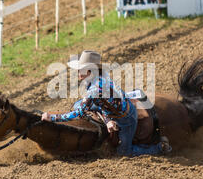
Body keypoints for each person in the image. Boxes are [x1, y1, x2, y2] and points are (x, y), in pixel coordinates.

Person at [41, 50, 172, 157]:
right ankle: (108, 120)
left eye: (81, 69)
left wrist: (52, 117)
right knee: (81, 104)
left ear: (89, 71)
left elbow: (78, 113)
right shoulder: (98, 77)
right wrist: (107, 118)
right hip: (115, 106)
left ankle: (159, 148)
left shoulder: (94, 89)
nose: (78, 72)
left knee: (124, 152)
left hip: (126, 118)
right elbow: (102, 102)